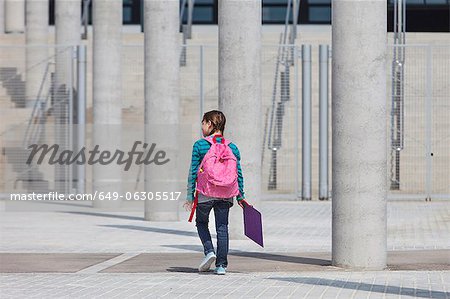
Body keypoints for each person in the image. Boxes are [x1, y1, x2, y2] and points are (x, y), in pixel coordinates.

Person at [183, 110, 245, 275]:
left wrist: (190, 196)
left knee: (201, 223)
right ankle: (221, 266)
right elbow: (238, 173)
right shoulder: (232, 147)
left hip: (206, 192)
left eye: (203, 123)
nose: (202, 127)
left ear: (209, 124)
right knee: (222, 227)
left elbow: (193, 172)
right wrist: (241, 196)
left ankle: (209, 251)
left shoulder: (200, 145)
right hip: (226, 193)